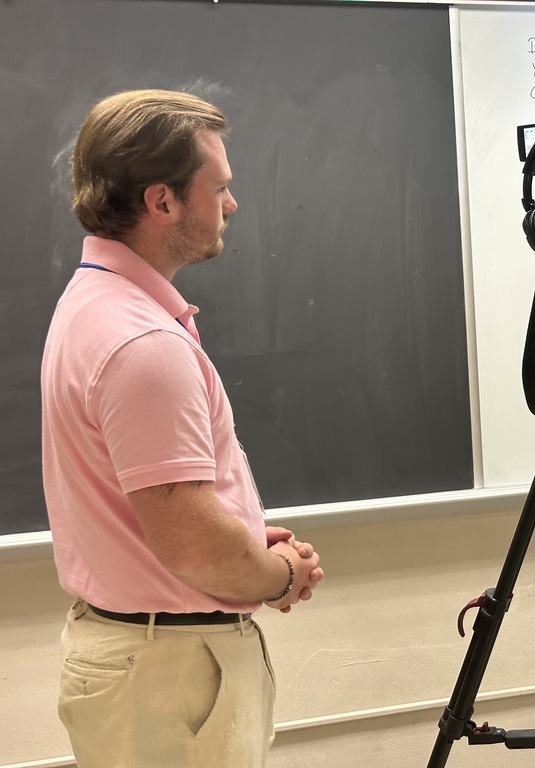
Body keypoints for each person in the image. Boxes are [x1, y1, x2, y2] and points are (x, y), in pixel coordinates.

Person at [41, 89, 325, 767]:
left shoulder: (95, 305)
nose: (231, 204)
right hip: (169, 672)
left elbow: (165, 512)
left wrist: (246, 545)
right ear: (162, 202)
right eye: (219, 188)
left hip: (146, 660)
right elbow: (192, 546)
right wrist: (277, 575)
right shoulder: (142, 343)